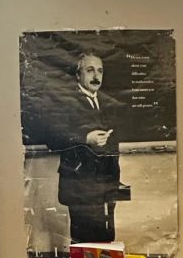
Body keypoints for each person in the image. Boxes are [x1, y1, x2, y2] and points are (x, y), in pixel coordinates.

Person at [44, 52, 130, 243]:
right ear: (78, 75)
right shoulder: (65, 102)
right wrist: (85, 138)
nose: (96, 76)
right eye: (90, 70)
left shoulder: (108, 103)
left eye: (100, 71)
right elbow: (53, 138)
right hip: (80, 187)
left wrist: (114, 181)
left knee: (107, 239)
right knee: (86, 244)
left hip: (106, 184)